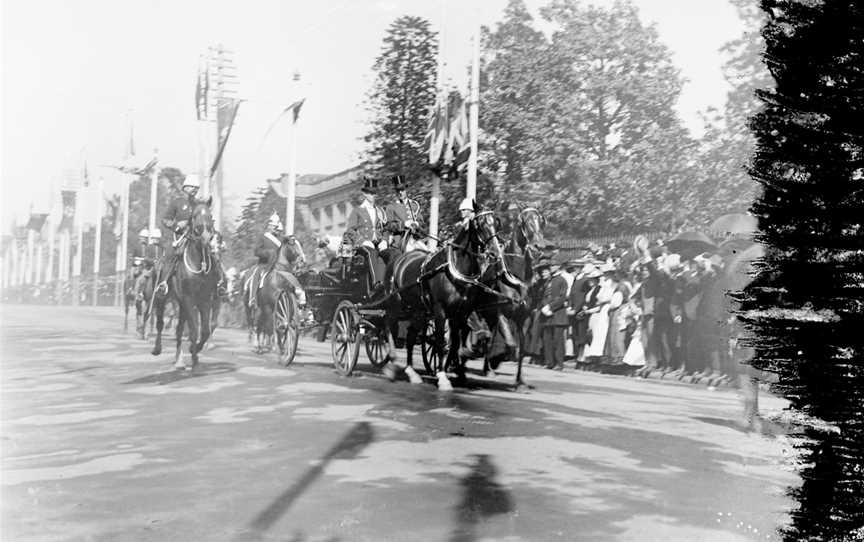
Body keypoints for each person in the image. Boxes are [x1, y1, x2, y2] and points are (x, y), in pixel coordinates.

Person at [155, 174, 200, 292]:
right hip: (179, 237)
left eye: (196, 187)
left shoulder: (198, 204)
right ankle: (163, 283)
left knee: (211, 253)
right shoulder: (177, 202)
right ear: (185, 187)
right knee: (170, 255)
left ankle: (219, 284)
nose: (194, 189)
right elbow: (165, 219)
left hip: (195, 237)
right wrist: (176, 227)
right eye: (192, 187)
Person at [345, 176, 388, 291]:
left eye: (375, 193)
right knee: (371, 253)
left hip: (378, 243)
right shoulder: (358, 211)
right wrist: (363, 241)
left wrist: (384, 240)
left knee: (391, 253)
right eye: (370, 193)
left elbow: (385, 229)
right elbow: (350, 231)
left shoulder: (380, 211)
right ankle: (376, 283)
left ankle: (390, 283)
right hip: (363, 246)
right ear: (365, 194)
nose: (373, 196)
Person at [539, 262, 570, 370]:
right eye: (550, 266)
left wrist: (551, 307)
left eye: (553, 266)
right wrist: (544, 306)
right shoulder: (549, 280)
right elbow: (544, 295)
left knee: (558, 341)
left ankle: (559, 363)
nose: (551, 268)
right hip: (547, 315)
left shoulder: (562, 280)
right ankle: (549, 362)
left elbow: (562, 298)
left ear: (558, 266)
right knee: (547, 340)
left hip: (558, 314)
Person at [384, 175, 426, 252]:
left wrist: (416, 224)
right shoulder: (391, 207)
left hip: (415, 239)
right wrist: (404, 224)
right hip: (400, 241)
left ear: (406, 190)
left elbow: (422, 223)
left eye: (402, 190)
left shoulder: (414, 205)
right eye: (398, 190)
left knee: (429, 253)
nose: (400, 192)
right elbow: (388, 226)